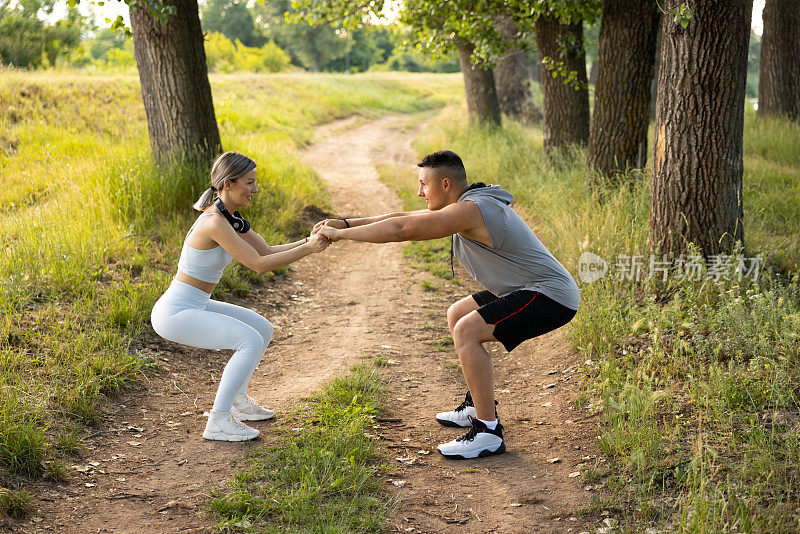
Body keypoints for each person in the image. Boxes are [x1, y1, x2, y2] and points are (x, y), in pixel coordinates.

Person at [315, 150, 579, 459]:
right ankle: (475, 407)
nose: (419, 192)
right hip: (523, 287)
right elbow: (403, 218)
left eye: (423, 185)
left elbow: (403, 230)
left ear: (444, 184)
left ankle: (487, 432)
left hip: (551, 294)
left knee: (468, 330)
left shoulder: (473, 209)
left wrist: (342, 235)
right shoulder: (466, 204)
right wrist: (346, 223)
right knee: (459, 314)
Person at [151, 151, 331, 442]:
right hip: (175, 312)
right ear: (227, 183)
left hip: (195, 304)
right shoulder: (213, 222)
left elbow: (266, 251)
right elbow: (259, 266)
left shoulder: (230, 218)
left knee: (262, 329)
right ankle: (219, 421)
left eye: (254, 182)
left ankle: (238, 401)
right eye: (249, 182)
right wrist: (309, 250)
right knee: (249, 340)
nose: (255, 189)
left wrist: (309, 241)